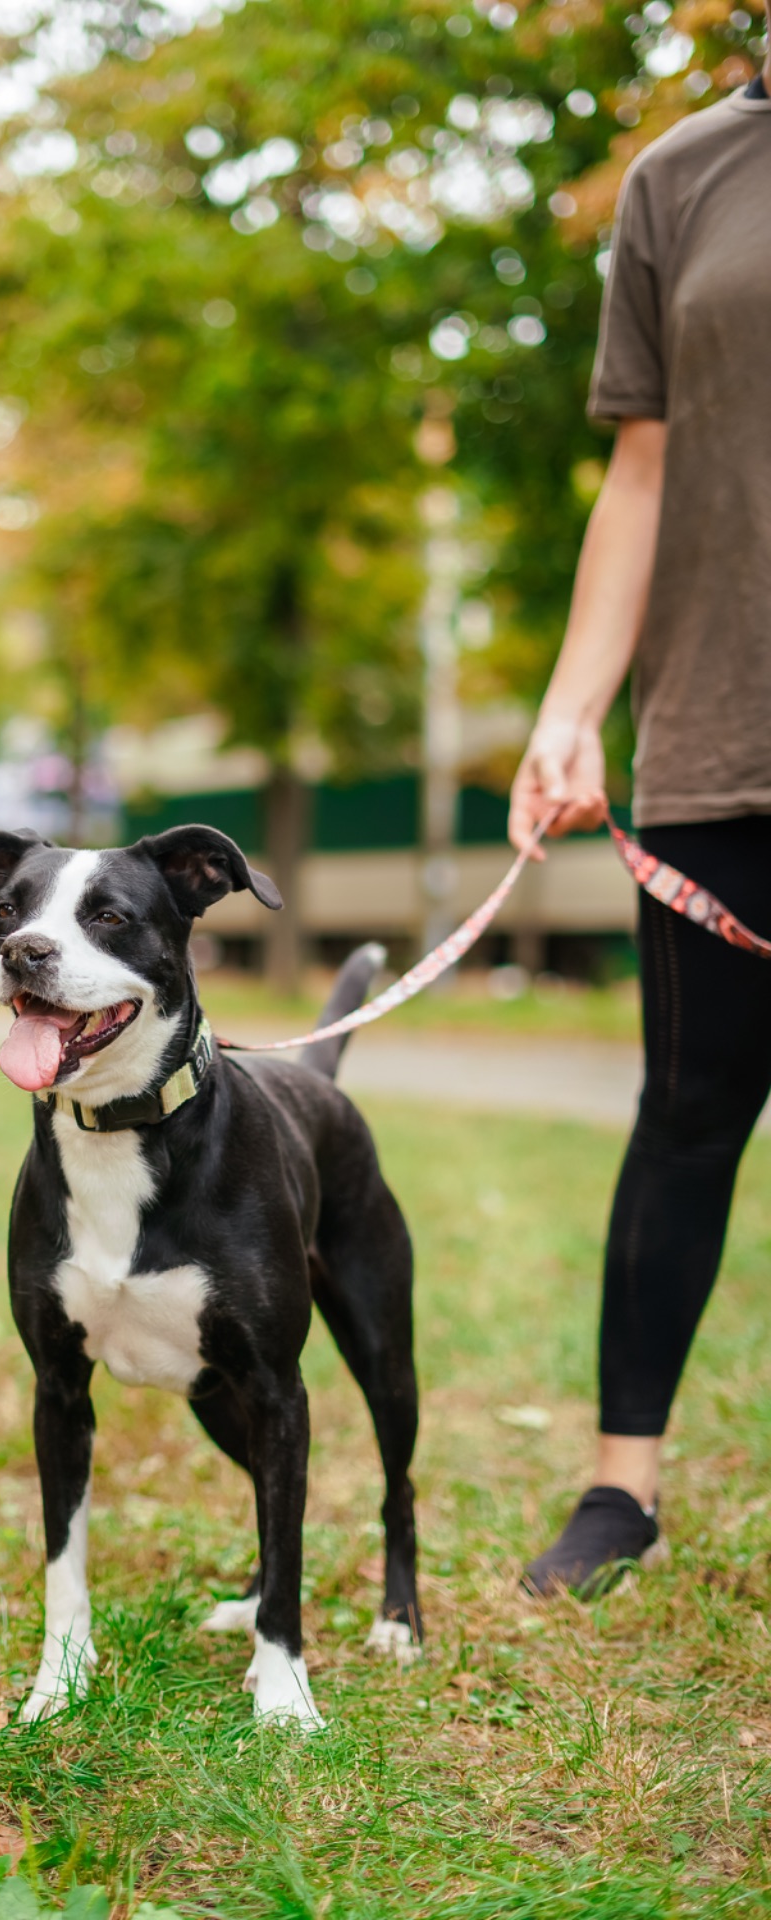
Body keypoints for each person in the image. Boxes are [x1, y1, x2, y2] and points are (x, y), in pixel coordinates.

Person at [507, 62, 771, 1595]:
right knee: (688, 1118)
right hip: (722, 738)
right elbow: (644, 469)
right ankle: (623, 1490)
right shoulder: (685, 174)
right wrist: (569, 707)